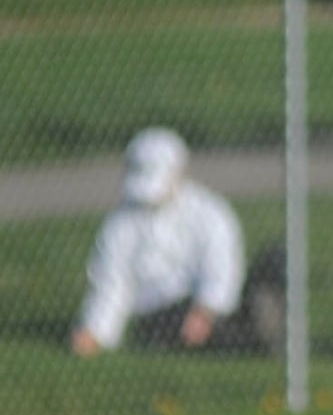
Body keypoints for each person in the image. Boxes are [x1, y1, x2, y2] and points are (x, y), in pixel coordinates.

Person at [70, 127, 283, 357]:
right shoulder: (121, 224)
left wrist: (206, 310)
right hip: (163, 312)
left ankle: (266, 327)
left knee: (275, 260)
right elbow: (111, 282)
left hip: (213, 304)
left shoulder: (210, 213)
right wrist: (95, 330)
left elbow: (222, 266)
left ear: (179, 174)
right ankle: (254, 340)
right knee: (192, 332)